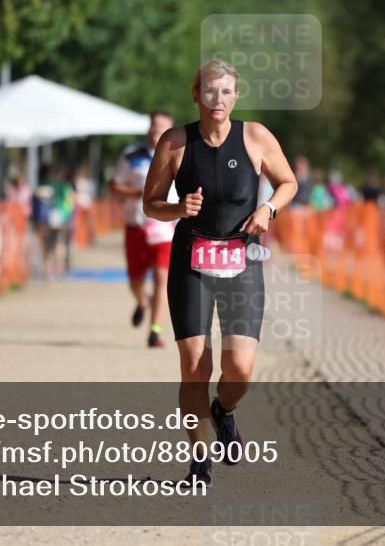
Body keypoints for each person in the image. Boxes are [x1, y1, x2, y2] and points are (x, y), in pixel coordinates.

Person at [143, 59, 297, 487]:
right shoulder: (175, 143)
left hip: (241, 260)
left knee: (240, 369)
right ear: (196, 94)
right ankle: (199, 460)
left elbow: (288, 183)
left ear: (236, 96)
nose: (218, 99)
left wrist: (268, 208)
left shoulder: (256, 137)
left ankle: (224, 411)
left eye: (226, 91)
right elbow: (149, 203)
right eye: (210, 90)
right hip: (190, 261)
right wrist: (177, 209)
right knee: (195, 366)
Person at [111, 110, 178, 348]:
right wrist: (137, 193)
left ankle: (155, 330)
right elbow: (115, 186)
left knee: (162, 277)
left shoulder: (179, 155)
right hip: (136, 226)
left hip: (165, 227)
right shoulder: (132, 156)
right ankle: (141, 301)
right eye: (153, 126)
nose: (155, 131)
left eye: (161, 128)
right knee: (135, 280)